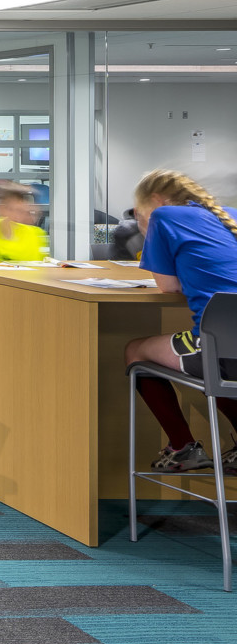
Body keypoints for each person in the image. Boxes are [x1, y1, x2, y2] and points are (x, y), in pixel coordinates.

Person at [124, 169, 237, 474]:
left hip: (220, 349)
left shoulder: (164, 217)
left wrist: (149, 227)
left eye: (138, 213)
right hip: (228, 349)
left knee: (136, 350)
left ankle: (181, 447)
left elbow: (168, 287)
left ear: (155, 201)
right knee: (218, 359)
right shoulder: (231, 215)